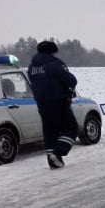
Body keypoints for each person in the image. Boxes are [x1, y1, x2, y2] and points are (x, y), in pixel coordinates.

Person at [28, 40, 78, 169]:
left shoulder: (32, 67)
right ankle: (58, 152)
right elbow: (71, 80)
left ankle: (53, 161)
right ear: (52, 51)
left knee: (50, 131)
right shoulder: (55, 64)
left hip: (42, 104)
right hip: (58, 102)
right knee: (71, 129)